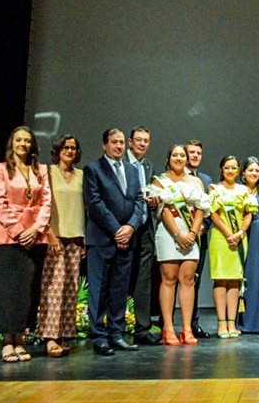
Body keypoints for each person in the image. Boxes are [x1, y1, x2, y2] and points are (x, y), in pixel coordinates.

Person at [0, 126, 52, 362]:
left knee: (27, 291)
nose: (23, 144)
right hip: (8, 237)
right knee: (8, 291)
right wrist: (18, 231)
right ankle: (7, 342)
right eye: (19, 140)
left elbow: (47, 202)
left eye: (27, 140)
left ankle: (21, 340)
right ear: (11, 143)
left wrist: (35, 230)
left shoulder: (41, 169)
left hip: (35, 237)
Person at [83, 128, 144, 356]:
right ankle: (99, 337)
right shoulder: (93, 169)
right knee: (99, 290)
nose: (119, 146)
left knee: (119, 289)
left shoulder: (131, 169)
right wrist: (117, 230)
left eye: (121, 143)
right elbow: (95, 203)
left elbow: (139, 200)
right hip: (102, 239)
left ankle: (116, 334)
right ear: (104, 145)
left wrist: (130, 227)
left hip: (127, 239)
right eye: (114, 142)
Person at [152, 144, 210, 345]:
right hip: (169, 232)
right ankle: (168, 329)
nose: (179, 158)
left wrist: (193, 232)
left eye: (182, 155)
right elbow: (165, 209)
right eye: (175, 155)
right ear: (168, 158)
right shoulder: (160, 181)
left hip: (191, 233)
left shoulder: (196, 182)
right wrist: (178, 235)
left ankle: (186, 328)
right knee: (169, 278)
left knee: (188, 279)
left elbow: (201, 208)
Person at [38, 134, 86, 357]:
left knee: (70, 289)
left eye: (73, 148)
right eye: (65, 147)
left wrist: (84, 238)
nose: (69, 151)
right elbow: (41, 204)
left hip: (76, 236)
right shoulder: (47, 172)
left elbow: (83, 208)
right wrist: (48, 232)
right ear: (58, 150)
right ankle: (49, 337)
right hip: (55, 236)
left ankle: (63, 335)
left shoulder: (81, 175)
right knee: (54, 289)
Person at [208, 155, 257, 339]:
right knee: (221, 279)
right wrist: (229, 234)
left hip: (239, 238)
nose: (230, 171)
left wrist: (241, 232)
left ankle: (231, 322)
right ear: (221, 169)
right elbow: (213, 214)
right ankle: (221, 323)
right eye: (227, 167)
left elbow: (248, 214)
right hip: (221, 238)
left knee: (235, 280)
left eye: (234, 168)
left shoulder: (244, 190)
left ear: (238, 170)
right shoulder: (214, 189)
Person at [126, 126, 161, 345]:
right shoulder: (121, 163)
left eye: (146, 140)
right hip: (125, 228)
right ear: (130, 142)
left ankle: (142, 328)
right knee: (121, 279)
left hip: (145, 227)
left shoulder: (149, 166)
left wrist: (155, 201)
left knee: (143, 280)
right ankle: (114, 326)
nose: (142, 144)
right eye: (138, 140)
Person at [237, 156, 259, 334]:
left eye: (257, 170)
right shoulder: (237, 190)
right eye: (250, 170)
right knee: (243, 276)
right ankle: (241, 322)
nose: (254, 173)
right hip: (243, 234)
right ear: (243, 173)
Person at [184, 140, 213, 338]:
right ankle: (166, 324)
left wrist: (202, 226)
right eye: (191, 152)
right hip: (176, 238)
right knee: (171, 281)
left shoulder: (205, 179)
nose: (195, 156)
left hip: (198, 238)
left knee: (194, 282)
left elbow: (209, 210)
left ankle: (193, 324)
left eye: (198, 153)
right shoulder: (173, 178)